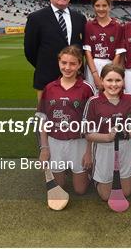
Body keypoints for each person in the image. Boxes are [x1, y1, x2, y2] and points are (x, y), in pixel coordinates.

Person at [36, 45, 95, 195]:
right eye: (64, 63)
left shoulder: (86, 88)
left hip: (78, 142)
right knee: (59, 188)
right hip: (55, 141)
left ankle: (90, 172)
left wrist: (89, 152)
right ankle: (63, 168)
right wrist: (44, 148)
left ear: (79, 64)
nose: (67, 67)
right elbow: (42, 120)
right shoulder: (49, 88)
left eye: (72, 63)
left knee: (80, 190)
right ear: (59, 63)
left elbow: (92, 123)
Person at [24, 0, 86, 102]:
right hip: (47, 77)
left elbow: (83, 46)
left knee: (76, 115)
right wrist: (45, 66)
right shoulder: (36, 18)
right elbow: (30, 50)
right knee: (45, 116)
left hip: (75, 77)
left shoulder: (80, 18)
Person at [84, 64, 131, 201]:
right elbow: (88, 133)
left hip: (126, 147)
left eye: (118, 80)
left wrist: (126, 133)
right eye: (109, 80)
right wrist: (108, 137)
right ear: (102, 80)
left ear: (123, 81)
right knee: (106, 196)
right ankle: (95, 178)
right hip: (104, 148)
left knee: (126, 193)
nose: (114, 84)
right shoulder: (93, 102)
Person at [83, 0, 124, 92]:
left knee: (109, 96)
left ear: (109, 6)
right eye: (97, 5)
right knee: (93, 97)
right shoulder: (88, 25)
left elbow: (118, 54)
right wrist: (95, 75)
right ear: (93, 7)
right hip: (92, 66)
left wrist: (109, 72)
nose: (101, 9)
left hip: (111, 65)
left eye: (104, 5)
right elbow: (87, 52)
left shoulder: (118, 26)